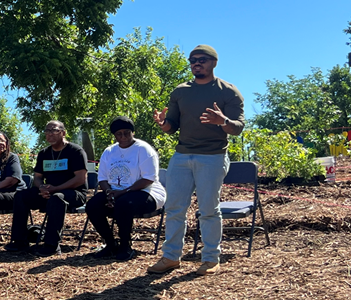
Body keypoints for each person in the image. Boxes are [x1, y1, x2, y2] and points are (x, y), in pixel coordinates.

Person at [148, 44, 244, 276]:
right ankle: (171, 257)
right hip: (182, 156)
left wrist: (222, 121)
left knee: (209, 210)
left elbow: (237, 129)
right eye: (192, 60)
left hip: (213, 156)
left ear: (213, 62)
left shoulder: (228, 92)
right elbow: (172, 126)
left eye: (202, 59)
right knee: (174, 208)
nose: (196, 63)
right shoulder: (181, 91)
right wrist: (163, 124)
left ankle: (210, 259)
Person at [85, 116, 167, 261]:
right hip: (117, 192)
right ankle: (110, 244)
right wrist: (109, 193)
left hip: (147, 192)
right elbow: (102, 178)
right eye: (119, 134)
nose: (123, 136)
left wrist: (122, 193)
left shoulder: (144, 150)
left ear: (132, 132)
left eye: (127, 132)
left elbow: (149, 178)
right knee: (92, 205)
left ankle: (125, 245)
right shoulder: (109, 152)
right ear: (115, 136)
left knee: (124, 204)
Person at [6, 120, 87, 256]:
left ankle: (51, 245)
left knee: (57, 198)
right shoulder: (44, 153)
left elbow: (80, 178)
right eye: (47, 131)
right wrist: (42, 187)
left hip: (74, 193)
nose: (50, 134)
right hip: (49, 192)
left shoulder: (75, 151)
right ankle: (19, 240)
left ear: (63, 133)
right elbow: (37, 177)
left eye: (54, 130)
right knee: (21, 196)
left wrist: (56, 189)